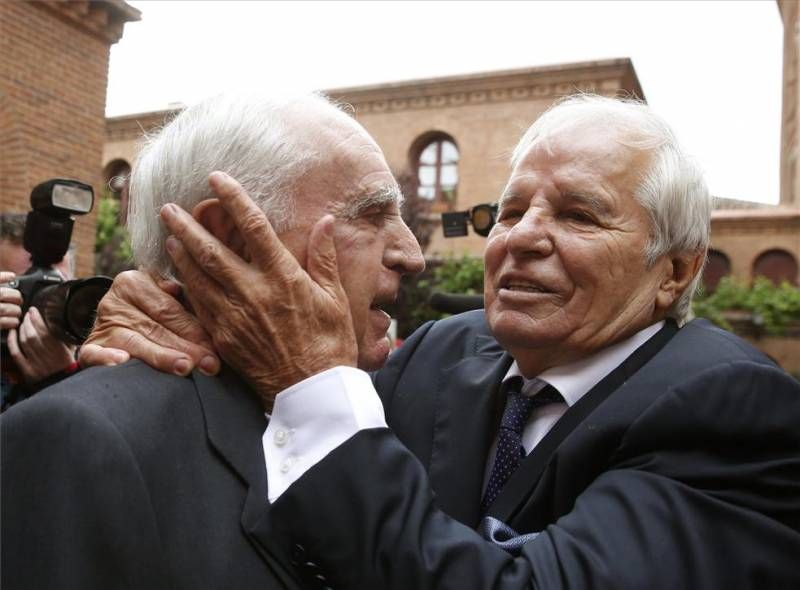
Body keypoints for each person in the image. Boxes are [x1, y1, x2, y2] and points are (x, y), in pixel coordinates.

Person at [82, 94, 800, 588]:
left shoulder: (734, 409)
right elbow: (292, 440)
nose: (520, 238)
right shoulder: (444, 352)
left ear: (674, 272)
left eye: (578, 215)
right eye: (511, 210)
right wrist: (178, 311)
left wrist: (309, 377)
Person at [0, 92, 424, 589]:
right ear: (229, 237)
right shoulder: (77, 439)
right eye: (370, 215)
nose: (411, 254)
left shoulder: (410, 404)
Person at [0, 213, 77, 407]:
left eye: (59, 286)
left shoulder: (96, 358)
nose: (50, 300)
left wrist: (65, 376)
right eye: (28, 285)